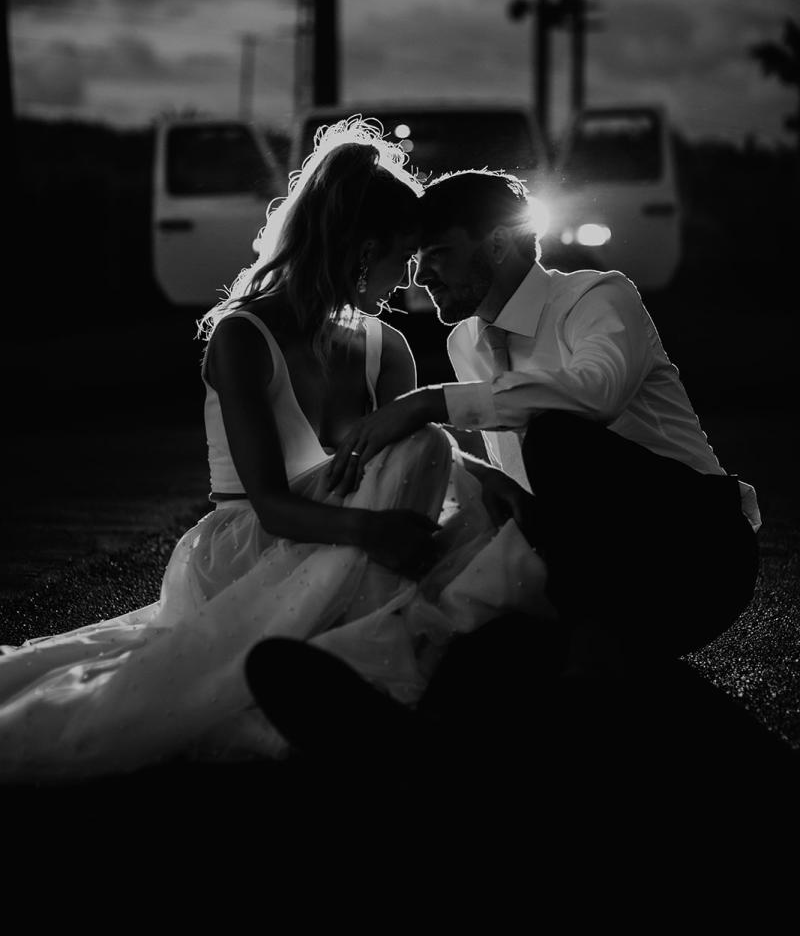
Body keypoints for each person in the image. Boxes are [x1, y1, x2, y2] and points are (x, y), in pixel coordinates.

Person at [0, 122, 552, 781]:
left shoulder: (387, 347)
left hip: (354, 544)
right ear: (361, 250)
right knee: (430, 459)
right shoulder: (244, 336)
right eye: (400, 260)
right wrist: (374, 529)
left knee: (472, 499)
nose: (408, 282)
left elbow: (407, 469)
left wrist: (495, 482)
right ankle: (383, 680)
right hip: (258, 547)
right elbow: (269, 505)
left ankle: (397, 677)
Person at [326, 167, 761, 670]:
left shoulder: (595, 296)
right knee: (466, 611)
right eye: (418, 258)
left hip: (696, 549)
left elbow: (597, 393)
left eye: (439, 253)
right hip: (602, 572)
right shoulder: (464, 341)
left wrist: (429, 403)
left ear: (496, 244)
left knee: (555, 437)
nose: (420, 276)